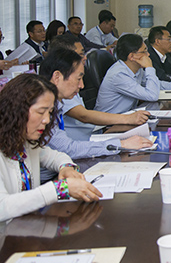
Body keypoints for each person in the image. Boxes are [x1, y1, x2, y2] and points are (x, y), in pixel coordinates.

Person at [0, 74, 102, 222]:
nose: (47, 120)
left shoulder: (25, 143)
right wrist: (59, 189)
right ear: (16, 110)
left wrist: (66, 167)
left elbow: (54, 156)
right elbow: (2, 207)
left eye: (49, 113)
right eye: (41, 112)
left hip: (29, 228)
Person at [39, 48, 153, 162]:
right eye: (78, 79)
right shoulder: (41, 111)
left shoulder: (57, 104)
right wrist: (122, 144)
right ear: (57, 77)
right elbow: (68, 149)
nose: (82, 85)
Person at [48, 34, 150, 141]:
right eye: (81, 54)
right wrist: (128, 119)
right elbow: (83, 116)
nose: (85, 57)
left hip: (94, 132)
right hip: (84, 140)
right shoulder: (60, 87)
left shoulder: (70, 82)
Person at [96, 33, 171, 114]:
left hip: (128, 116)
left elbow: (155, 84)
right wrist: (149, 67)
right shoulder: (119, 75)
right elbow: (152, 95)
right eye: (144, 52)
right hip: (109, 123)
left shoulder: (136, 69)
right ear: (132, 56)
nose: (148, 55)